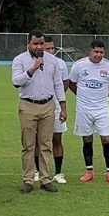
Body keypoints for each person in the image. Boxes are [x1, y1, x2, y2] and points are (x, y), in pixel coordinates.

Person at [11, 31, 64, 194]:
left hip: (48, 105)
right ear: (29, 43)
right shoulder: (20, 60)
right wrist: (33, 68)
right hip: (28, 105)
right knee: (28, 145)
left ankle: (45, 179)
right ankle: (28, 179)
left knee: (45, 144)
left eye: (41, 43)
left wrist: (63, 106)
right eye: (35, 44)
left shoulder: (53, 61)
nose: (39, 47)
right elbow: (16, 81)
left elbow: (58, 84)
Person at [67, 40, 109, 184]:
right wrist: (82, 96)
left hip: (102, 109)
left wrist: (104, 98)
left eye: (101, 52)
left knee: (106, 139)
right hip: (84, 109)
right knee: (87, 139)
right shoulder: (79, 65)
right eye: (96, 52)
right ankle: (89, 171)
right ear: (90, 51)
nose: (98, 55)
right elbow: (71, 83)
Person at [42, 37, 69, 184]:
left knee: (57, 139)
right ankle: (37, 171)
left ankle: (58, 173)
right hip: (40, 105)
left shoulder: (61, 64)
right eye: (48, 48)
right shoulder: (36, 62)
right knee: (38, 140)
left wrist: (58, 98)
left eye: (53, 48)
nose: (51, 51)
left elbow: (65, 84)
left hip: (57, 105)